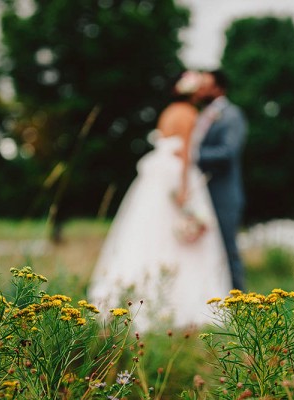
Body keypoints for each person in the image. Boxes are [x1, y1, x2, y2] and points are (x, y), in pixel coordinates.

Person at [87, 71, 232, 331]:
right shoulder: (189, 114)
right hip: (177, 174)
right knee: (184, 242)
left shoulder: (167, 112)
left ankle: (131, 294)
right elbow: (187, 154)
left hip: (156, 176)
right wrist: (185, 189)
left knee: (148, 231)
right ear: (193, 93)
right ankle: (181, 303)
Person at [195, 70, 248, 291]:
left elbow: (228, 152)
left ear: (218, 88)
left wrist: (192, 156)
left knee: (228, 249)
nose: (200, 88)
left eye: (205, 84)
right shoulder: (202, 115)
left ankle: (240, 304)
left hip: (223, 194)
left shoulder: (232, 115)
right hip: (201, 194)